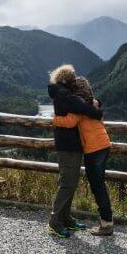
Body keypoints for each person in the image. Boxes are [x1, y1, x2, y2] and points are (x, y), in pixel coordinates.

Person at [46, 64, 103, 238]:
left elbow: (82, 106)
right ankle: (55, 222)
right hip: (69, 145)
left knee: (70, 182)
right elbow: (89, 110)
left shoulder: (62, 94)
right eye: (73, 77)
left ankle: (65, 218)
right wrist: (96, 107)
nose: (75, 80)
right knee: (67, 183)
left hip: (70, 145)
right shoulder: (65, 95)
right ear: (68, 80)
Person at [54, 74, 114, 236]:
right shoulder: (92, 103)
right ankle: (107, 221)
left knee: (97, 186)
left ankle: (106, 224)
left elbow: (69, 122)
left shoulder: (79, 106)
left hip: (93, 149)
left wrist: (54, 120)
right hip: (104, 145)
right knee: (99, 184)